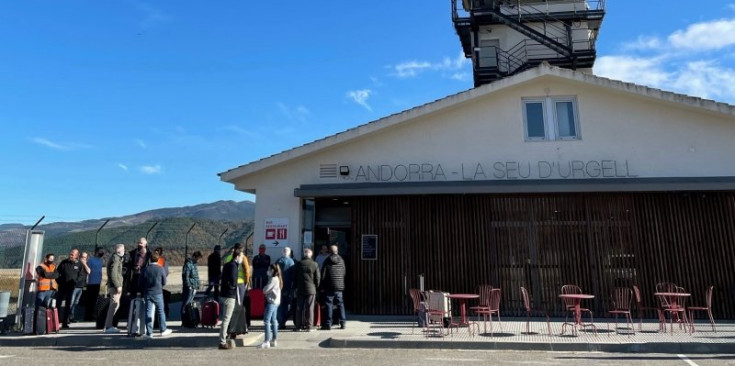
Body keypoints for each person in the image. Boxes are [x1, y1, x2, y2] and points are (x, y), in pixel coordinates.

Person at [139, 251, 172, 339]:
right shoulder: (160, 269)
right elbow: (164, 282)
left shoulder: (145, 269)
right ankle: (163, 330)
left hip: (148, 293)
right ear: (158, 259)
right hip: (158, 293)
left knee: (148, 312)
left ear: (150, 259)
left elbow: (140, 283)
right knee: (161, 311)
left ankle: (149, 332)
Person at [219, 248, 242, 350]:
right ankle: (223, 341)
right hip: (230, 295)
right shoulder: (234, 266)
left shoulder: (227, 264)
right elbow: (233, 280)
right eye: (241, 256)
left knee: (226, 318)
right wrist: (233, 286)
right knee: (226, 319)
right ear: (237, 256)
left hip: (223, 293)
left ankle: (225, 337)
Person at [223, 243, 251, 327]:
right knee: (239, 305)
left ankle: (230, 324)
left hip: (230, 284)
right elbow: (247, 271)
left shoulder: (228, 258)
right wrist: (247, 283)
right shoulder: (243, 258)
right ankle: (238, 325)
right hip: (240, 283)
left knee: (230, 305)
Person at [56, 249, 85, 329]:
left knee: (68, 305)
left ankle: (65, 322)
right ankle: (56, 322)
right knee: (58, 304)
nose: (70, 256)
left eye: (72, 255)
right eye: (70, 254)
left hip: (71, 287)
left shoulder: (79, 264)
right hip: (62, 287)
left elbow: (81, 275)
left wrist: (75, 282)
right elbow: (57, 273)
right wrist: (59, 281)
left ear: (76, 256)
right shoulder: (64, 262)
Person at [320, 245, 347, 330]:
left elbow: (323, 275)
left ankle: (328, 323)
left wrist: (322, 285)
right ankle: (343, 323)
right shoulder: (341, 260)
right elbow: (344, 272)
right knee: (340, 304)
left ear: (330, 251)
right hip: (339, 286)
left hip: (329, 286)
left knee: (329, 304)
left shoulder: (327, 260)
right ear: (337, 251)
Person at [294, 248, 320, 332]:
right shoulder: (314, 264)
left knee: (299, 307)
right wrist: (316, 286)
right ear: (311, 255)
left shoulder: (298, 264)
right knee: (310, 308)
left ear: (304, 254)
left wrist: (295, 286)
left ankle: (298, 326)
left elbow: (295, 277)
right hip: (311, 289)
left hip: (300, 288)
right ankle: (309, 326)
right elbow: (317, 278)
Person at [258, 264, 282, 349]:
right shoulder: (277, 278)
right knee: (274, 320)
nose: (267, 271)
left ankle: (266, 341)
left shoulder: (273, 279)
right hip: (276, 302)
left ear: (273, 270)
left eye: (269, 269)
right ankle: (274, 340)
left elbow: (265, 290)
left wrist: (265, 290)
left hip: (271, 302)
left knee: (266, 321)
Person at [104, 244, 126, 333]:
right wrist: (118, 285)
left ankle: (109, 325)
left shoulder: (115, 258)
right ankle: (108, 326)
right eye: (123, 250)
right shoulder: (116, 259)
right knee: (113, 305)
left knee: (115, 305)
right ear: (120, 251)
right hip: (115, 286)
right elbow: (113, 274)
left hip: (114, 285)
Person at [275, 247, 294, 330]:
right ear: (289, 253)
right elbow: (293, 275)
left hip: (278, 285)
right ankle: (284, 320)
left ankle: (280, 321)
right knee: (287, 304)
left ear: (282, 252)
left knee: (279, 304)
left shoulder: (278, 261)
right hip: (287, 285)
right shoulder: (291, 262)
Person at [84, 248, 104, 321]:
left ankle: (92, 315)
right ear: (97, 252)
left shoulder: (101, 261)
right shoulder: (91, 260)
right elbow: (87, 271)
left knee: (94, 300)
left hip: (97, 283)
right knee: (89, 300)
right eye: (101, 251)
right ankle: (87, 316)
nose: (102, 253)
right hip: (91, 283)